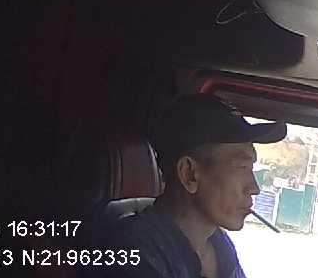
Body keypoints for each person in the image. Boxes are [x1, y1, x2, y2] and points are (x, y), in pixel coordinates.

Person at [98, 94, 286, 278]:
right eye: (241, 167)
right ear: (189, 174)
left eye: (251, 168)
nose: (254, 188)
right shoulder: (135, 251)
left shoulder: (219, 243)